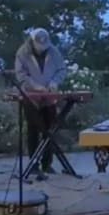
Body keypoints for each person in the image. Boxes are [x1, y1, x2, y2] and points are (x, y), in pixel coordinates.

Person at [14, 28, 67, 177]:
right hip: (31, 96)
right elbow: (21, 74)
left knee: (50, 129)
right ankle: (34, 164)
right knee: (34, 129)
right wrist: (35, 86)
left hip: (49, 96)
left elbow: (62, 69)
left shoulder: (54, 51)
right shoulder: (22, 53)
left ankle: (47, 164)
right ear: (32, 42)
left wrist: (55, 82)